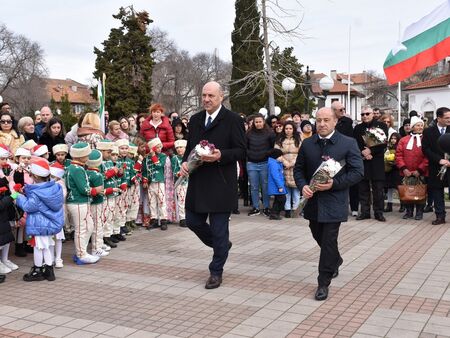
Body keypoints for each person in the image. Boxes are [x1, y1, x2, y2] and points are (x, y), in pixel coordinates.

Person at [179, 81, 246, 289]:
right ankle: (222, 247)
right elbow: (191, 146)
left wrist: (220, 156)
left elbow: (241, 151)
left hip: (220, 183)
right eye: (204, 95)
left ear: (221, 97)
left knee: (219, 230)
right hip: (198, 182)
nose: (206, 99)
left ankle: (216, 271)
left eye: (211, 96)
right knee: (192, 221)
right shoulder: (196, 120)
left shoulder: (233, 120)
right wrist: (185, 162)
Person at [293, 107, 364, 301]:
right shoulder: (308, 144)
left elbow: (358, 172)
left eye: (326, 120)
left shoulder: (348, 143)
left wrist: (335, 184)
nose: (322, 124)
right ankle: (336, 259)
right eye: (319, 120)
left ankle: (323, 282)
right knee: (318, 235)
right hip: (313, 202)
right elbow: (298, 170)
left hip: (335, 201)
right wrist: (302, 186)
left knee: (328, 240)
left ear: (334, 122)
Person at [15, 158, 64, 282]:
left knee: (38, 248)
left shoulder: (36, 192)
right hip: (49, 224)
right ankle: (49, 271)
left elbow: (28, 206)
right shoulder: (54, 188)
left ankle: (37, 270)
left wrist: (18, 197)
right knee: (46, 247)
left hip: (39, 224)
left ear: (35, 176)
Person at [353, 106, 388, 222]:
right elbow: (355, 144)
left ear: (373, 114)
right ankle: (365, 212)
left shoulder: (381, 126)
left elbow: (383, 144)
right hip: (363, 161)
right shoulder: (358, 128)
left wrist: (371, 151)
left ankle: (379, 213)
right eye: (362, 114)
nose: (365, 116)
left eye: (367, 114)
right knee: (363, 189)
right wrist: (363, 152)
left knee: (378, 189)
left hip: (376, 161)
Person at [396, 116, 428, 220]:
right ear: (412, 127)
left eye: (421, 125)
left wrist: (420, 170)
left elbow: (428, 156)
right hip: (406, 172)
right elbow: (398, 155)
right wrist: (404, 168)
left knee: (420, 191)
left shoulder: (426, 139)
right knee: (407, 191)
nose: (420, 127)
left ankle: (419, 211)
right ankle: (408, 211)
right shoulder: (403, 140)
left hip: (420, 172)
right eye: (418, 125)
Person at [422, 107, 450, 225]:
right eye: (447, 117)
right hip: (436, 166)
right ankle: (440, 216)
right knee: (437, 192)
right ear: (439, 118)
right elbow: (425, 149)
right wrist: (439, 160)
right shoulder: (428, 131)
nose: (449, 119)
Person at [246, 113, 276, 216]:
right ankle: (255, 207)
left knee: (265, 186)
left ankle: (266, 207)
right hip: (252, 163)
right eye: (256, 122)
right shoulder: (248, 134)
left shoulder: (270, 133)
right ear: (253, 123)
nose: (258, 124)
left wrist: (267, 154)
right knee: (254, 187)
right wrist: (250, 154)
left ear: (263, 122)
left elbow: (273, 147)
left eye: (260, 122)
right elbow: (245, 147)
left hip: (264, 163)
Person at [274, 121, 301, 218]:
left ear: (293, 129)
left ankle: (296, 209)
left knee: (296, 191)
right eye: (286, 128)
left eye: (290, 128)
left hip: (295, 168)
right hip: (283, 167)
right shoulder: (279, 140)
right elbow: (276, 153)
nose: (288, 130)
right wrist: (285, 162)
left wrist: (292, 163)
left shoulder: (298, 140)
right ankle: (287, 210)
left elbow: (301, 154)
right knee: (286, 191)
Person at [267, 148, 287, 220]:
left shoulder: (276, 163)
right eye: (281, 156)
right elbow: (276, 176)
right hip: (277, 186)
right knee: (281, 199)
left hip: (278, 185)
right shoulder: (273, 164)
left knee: (278, 199)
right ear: (276, 156)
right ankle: (274, 213)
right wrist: (280, 186)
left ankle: (275, 213)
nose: (282, 158)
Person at [383, 133, 401, 213]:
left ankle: (403, 204)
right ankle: (389, 204)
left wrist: (395, 163)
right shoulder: (388, 147)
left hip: (396, 170)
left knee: (398, 188)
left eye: (395, 138)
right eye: (392, 138)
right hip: (388, 170)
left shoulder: (399, 147)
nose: (393, 140)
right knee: (389, 188)